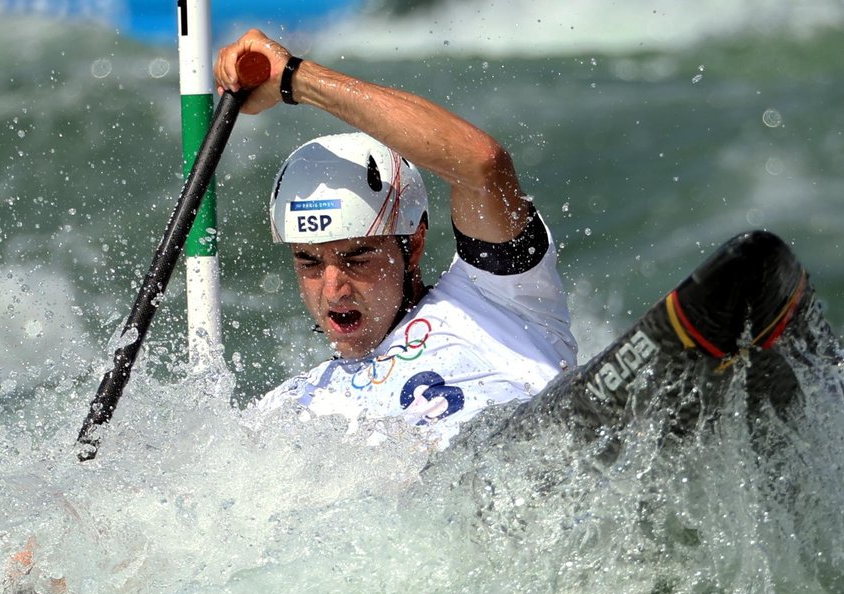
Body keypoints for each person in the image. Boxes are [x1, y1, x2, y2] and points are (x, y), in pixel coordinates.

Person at [214, 30, 578, 447]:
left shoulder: (494, 299)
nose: (334, 289)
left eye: (356, 258)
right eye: (310, 263)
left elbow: (481, 164)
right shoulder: (290, 410)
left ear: (415, 244)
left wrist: (294, 78)